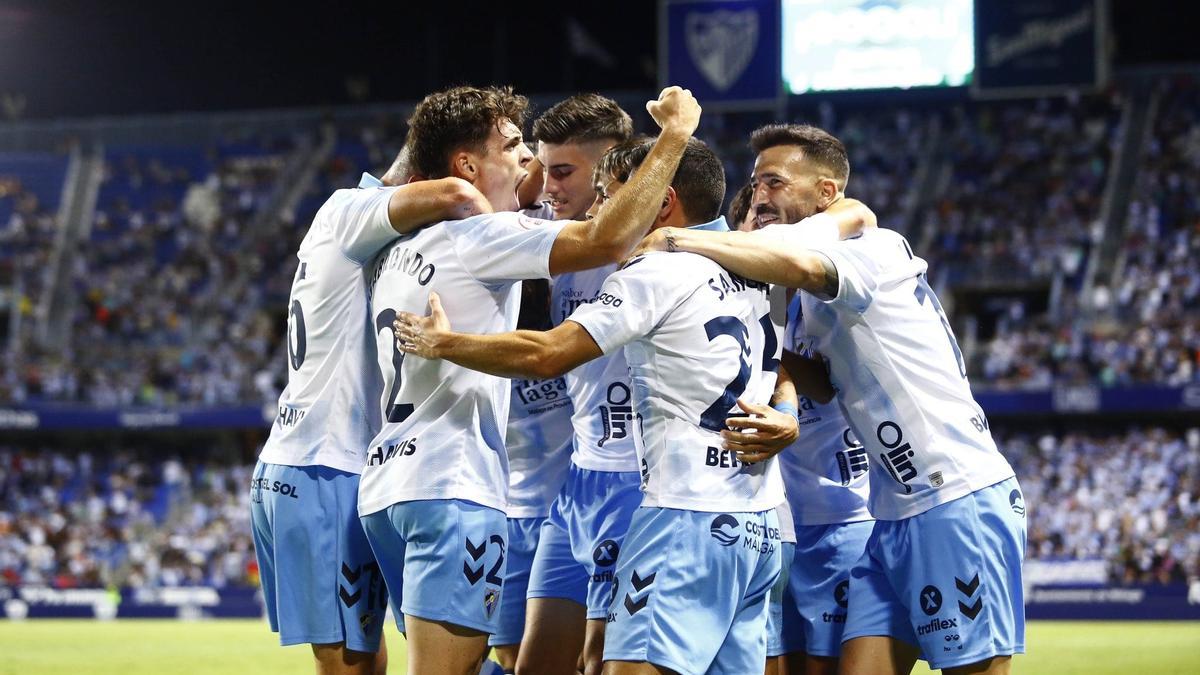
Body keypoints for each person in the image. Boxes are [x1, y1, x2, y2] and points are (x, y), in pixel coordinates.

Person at [392, 135, 795, 674]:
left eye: (610, 195)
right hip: (757, 523)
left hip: (683, 516)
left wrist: (444, 343)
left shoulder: (657, 270)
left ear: (664, 201)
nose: (605, 213)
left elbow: (548, 353)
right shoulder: (756, 269)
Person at [636, 124, 1025, 675]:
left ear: (825, 194)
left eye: (774, 182)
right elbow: (819, 379)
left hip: (955, 494)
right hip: (891, 512)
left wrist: (677, 239)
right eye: (756, 184)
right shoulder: (807, 303)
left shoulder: (870, 249)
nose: (762, 196)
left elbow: (797, 263)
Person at [355, 84, 702, 675]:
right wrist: (676, 133)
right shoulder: (501, 234)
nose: (538, 175)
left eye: (559, 168)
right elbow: (601, 244)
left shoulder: (397, 239)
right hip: (466, 483)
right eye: (524, 154)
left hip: (408, 484)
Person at [249, 143, 492, 675]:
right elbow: (454, 193)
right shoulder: (350, 210)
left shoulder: (361, 236)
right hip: (322, 464)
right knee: (352, 664)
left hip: (313, 460)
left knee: (377, 655)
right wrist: (501, 234)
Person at [499, 94, 634, 675]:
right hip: (577, 482)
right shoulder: (548, 240)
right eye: (541, 167)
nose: (546, 186)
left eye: (562, 172)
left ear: (611, 168)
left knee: (603, 660)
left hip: (641, 480)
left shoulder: (662, 243)